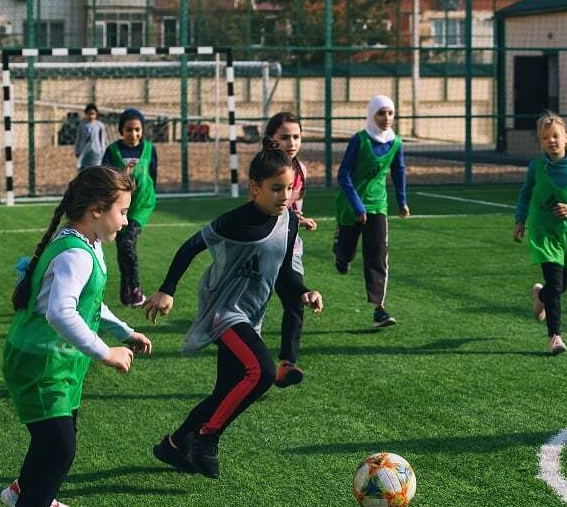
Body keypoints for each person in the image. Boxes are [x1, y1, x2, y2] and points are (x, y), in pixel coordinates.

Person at [0, 166, 152, 507]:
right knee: (59, 446)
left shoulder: (87, 243)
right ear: (98, 210)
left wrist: (125, 330)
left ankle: (24, 492)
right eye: (122, 211)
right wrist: (106, 352)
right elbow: (60, 311)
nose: (127, 220)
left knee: (58, 439)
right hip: (40, 360)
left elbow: (89, 303)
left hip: (60, 360)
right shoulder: (74, 253)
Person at [144, 146, 323, 479]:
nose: (285, 196)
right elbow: (190, 246)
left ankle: (174, 444)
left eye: (289, 188)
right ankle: (206, 438)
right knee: (263, 373)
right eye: (276, 188)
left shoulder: (289, 222)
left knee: (225, 392)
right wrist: (167, 289)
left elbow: (285, 272)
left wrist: (303, 292)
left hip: (250, 317)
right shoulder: (235, 221)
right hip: (223, 311)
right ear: (254, 188)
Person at [513, 111, 567, 355]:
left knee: (561, 285)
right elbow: (525, 194)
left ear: (566, 137)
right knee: (556, 282)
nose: (551, 141)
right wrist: (520, 221)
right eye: (545, 138)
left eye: (555, 136)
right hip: (544, 231)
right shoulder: (536, 167)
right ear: (540, 142)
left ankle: (541, 295)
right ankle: (555, 337)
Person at [333, 94, 409, 328]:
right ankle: (341, 253)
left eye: (390, 113)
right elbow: (343, 174)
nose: (386, 118)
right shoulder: (360, 140)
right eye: (381, 113)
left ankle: (379, 308)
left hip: (378, 205)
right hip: (351, 204)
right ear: (371, 115)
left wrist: (402, 201)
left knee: (377, 255)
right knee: (347, 250)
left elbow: (399, 172)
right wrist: (357, 205)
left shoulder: (396, 142)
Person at [263, 112, 316, 387]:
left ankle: (286, 364)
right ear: (271, 139)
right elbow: (263, 210)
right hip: (261, 248)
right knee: (252, 309)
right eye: (284, 137)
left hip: (290, 248)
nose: (291, 142)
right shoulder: (262, 169)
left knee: (295, 302)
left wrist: (299, 218)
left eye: (296, 136)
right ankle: (249, 367)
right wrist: (292, 217)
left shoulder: (302, 171)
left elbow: (294, 208)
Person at [102, 108, 158, 308]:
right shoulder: (113, 151)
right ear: (121, 130)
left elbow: (153, 175)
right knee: (122, 247)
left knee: (127, 243)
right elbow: (106, 176)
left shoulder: (150, 149)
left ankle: (134, 289)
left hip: (141, 206)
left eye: (137, 130)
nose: (133, 134)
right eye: (129, 130)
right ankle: (126, 292)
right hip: (120, 205)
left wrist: (146, 193)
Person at [74, 103, 106, 171]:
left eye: (93, 114)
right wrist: (77, 151)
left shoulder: (100, 126)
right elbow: (78, 139)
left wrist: (103, 151)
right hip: (84, 151)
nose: (91, 116)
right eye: (89, 114)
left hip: (96, 151)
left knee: (96, 170)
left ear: (96, 114)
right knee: (84, 170)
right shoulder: (82, 125)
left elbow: (102, 140)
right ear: (86, 114)